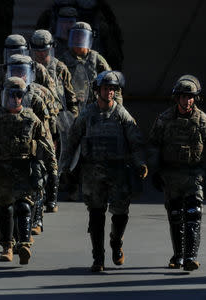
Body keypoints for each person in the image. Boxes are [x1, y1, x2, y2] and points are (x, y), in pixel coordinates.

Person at [61, 71, 147, 272]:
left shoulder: (121, 114)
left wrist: (140, 163)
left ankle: (116, 243)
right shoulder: (87, 115)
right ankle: (98, 258)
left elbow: (136, 141)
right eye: (106, 88)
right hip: (93, 171)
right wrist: (65, 167)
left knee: (120, 214)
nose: (109, 92)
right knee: (96, 214)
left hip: (118, 171)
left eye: (112, 89)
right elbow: (72, 141)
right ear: (98, 90)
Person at [148, 75, 206, 271]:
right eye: (183, 97)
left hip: (194, 174)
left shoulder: (202, 120)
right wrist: (154, 171)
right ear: (177, 98)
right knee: (175, 215)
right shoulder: (165, 119)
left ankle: (191, 256)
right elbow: (153, 145)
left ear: (195, 99)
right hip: (171, 175)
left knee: (194, 213)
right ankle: (178, 256)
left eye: (191, 97)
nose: (187, 101)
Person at [0, 77, 57, 264]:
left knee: (24, 206)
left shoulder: (31, 118)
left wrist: (52, 169)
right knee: (4, 211)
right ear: (4, 96)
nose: (15, 99)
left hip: (24, 169)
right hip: (0, 171)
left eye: (19, 95)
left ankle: (24, 243)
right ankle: (7, 246)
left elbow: (45, 143)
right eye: (11, 95)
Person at [60, 22, 110, 110]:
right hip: (70, 108)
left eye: (82, 36)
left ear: (88, 38)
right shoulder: (63, 60)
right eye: (76, 36)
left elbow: (110, 83)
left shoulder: (96, 59)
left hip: (94, 107)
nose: (79, 39)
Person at [30, 29, 79, 116]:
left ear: (51, 48)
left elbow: (71, 98)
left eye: (45, 50)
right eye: (38, 51)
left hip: (56, 116)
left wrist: (73, 119)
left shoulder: (59, 68)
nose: (41, 54)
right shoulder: (28, 67)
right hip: (34, 115)